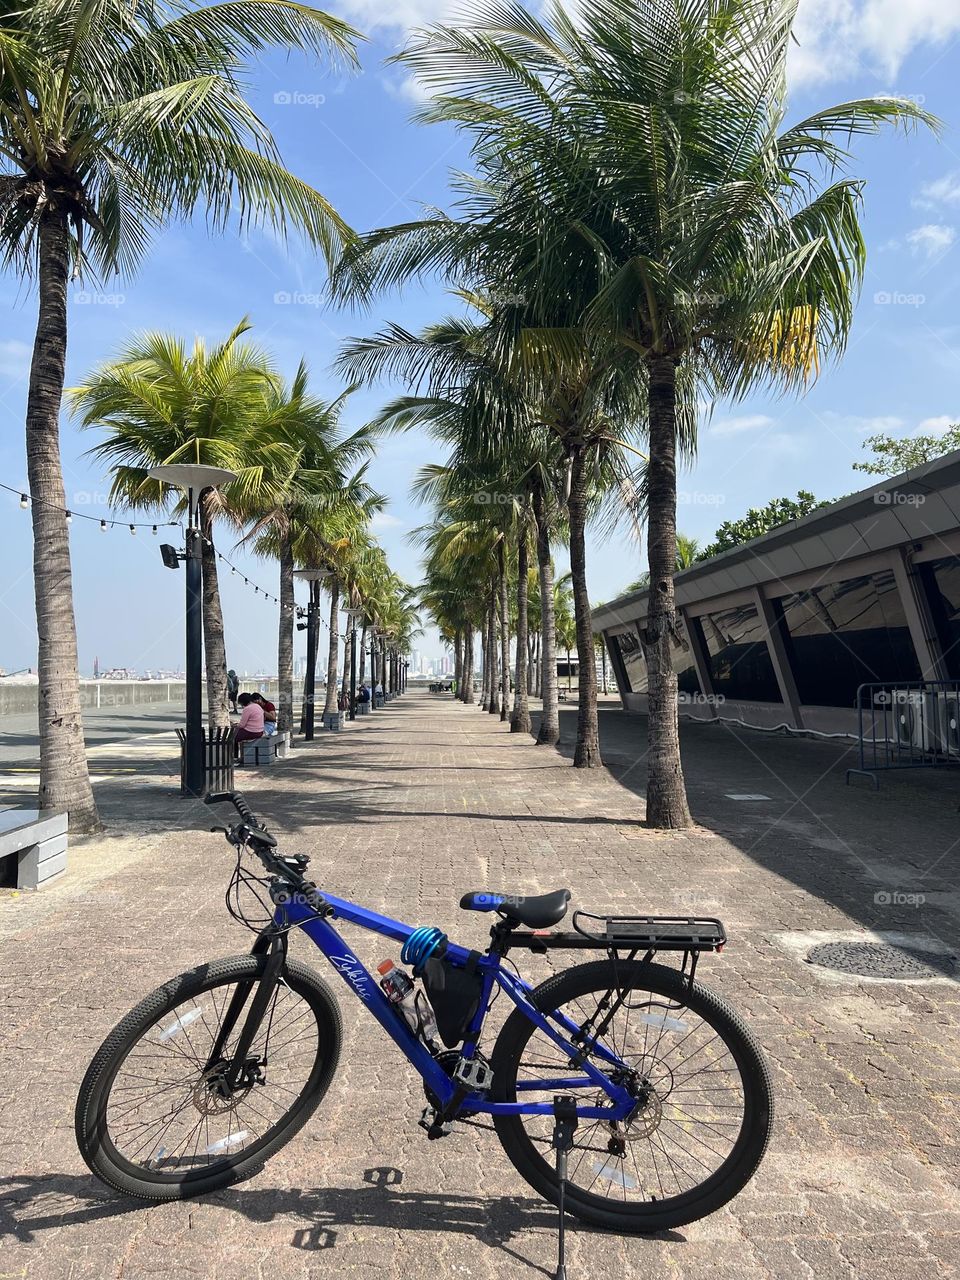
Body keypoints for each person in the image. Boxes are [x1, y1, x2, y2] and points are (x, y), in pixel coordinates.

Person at [234, 692, 264, 758]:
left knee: (233, 738)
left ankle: (235, 756)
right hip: (260, 731)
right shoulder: (257, 706)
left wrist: (235, 725)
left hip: (251, 732)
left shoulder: (247, 709)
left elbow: (242, 725)